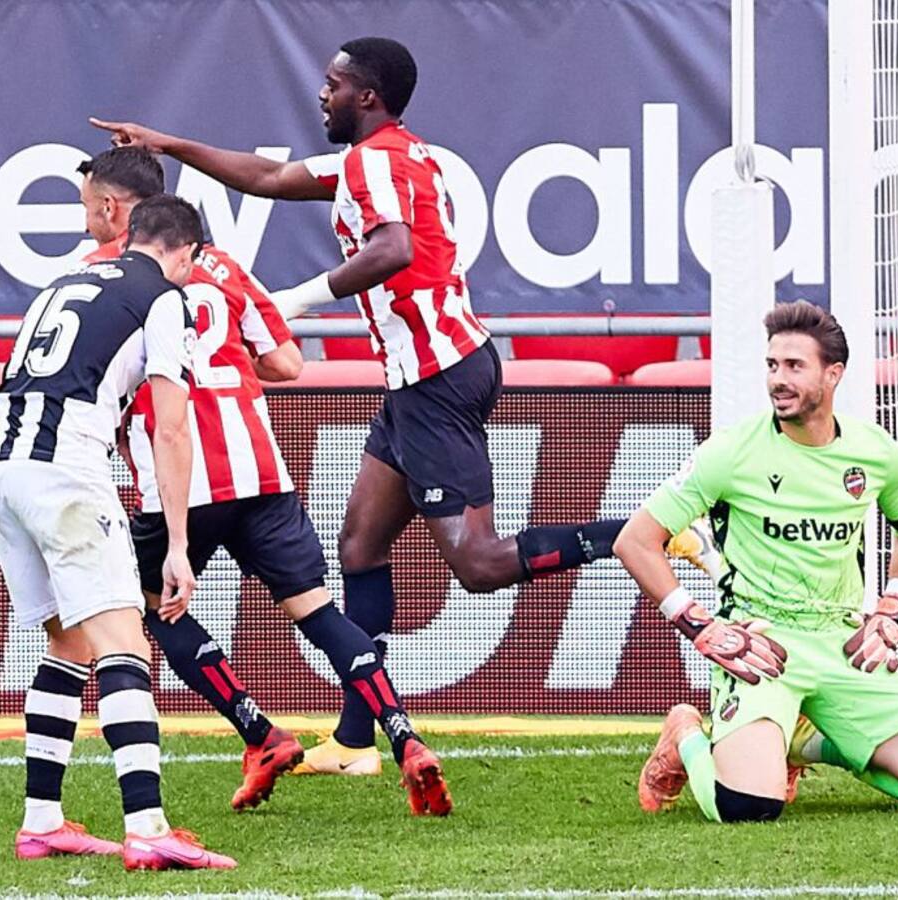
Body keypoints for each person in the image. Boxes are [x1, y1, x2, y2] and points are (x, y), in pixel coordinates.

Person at [91, 37, 636, 775]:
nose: (322, 94)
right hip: (421, 378)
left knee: (478, 564)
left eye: (334, 83)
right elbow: (270, 177)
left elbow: (393, 249)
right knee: (359, 547)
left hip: (438, 376)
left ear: (367, 96)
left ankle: (633, 534)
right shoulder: (378, 157)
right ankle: (355, 740)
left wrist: (296, 299)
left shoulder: (375, 163)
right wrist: (169, 144)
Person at [77, 146, 450, 815]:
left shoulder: (102, 274)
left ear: (112, 209)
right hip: (260, 468)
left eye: (88, 210)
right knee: (318, 611)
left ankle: (258, 732)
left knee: (152, 606)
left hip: (178, 480)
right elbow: (286, 363)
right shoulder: (222, 265)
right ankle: (405, 738)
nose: (87, 223)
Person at [614, 300, 898, 823]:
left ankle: (801, 741)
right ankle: (687, 734)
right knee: (748, 809)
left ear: (833, 374)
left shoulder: (874, 452)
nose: (778, 380)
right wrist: (700, 627)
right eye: (772, 365)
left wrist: (892, 609)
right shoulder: (732, 452)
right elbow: (635, 541)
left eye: (794, 366)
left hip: (842, 643)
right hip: (763, 643)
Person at [0, 194, 236, 868]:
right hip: (63, 471)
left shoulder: (66, 280)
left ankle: (41, 822)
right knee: (126, 646)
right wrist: (177, 545)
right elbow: (171, 426)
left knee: (67, 641)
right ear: (186, 252)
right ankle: (147, 827)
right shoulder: (166, 297)